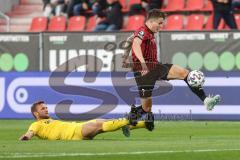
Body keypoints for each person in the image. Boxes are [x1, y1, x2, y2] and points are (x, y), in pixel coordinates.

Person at [123, 9, 221, 131]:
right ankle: (127, 122)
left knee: (185, 73)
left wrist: (124, 57)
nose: (161, 26)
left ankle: (206, 100)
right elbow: (136, 44)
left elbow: (130, 40)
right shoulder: (143, 31)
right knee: (146, 109)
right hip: (144, 72)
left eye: (162, 23)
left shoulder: (146, 32)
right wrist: (142, 64)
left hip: (155, 66)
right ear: (151, 21)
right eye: (159, 23)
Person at [19, 101, 146, 141]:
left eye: (46, 107)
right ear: (36, 113)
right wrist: (26, 137)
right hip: (74, 132)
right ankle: (130, 118)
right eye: (43, 108)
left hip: (77, 128)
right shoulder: (36, 124)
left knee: (107, 123)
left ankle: (144, 124)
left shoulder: (49, 121)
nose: (46, 109)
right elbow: (31, 132)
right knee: (99, 124)